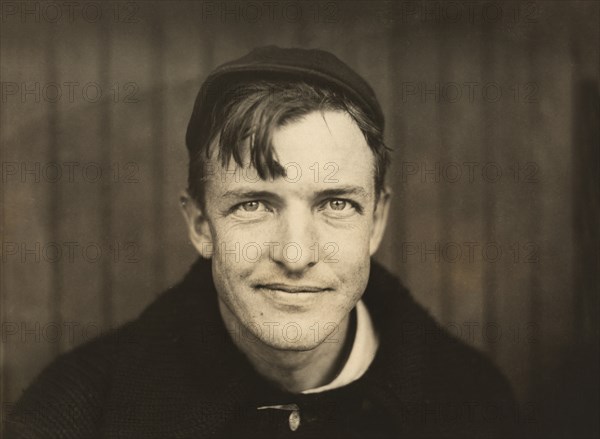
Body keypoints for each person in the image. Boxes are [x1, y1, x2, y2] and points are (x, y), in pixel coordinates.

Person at [6, 46, 517, 438]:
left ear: (377, 221)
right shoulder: (75, 413)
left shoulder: (474, 406)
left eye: (336, 203)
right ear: (201, 225)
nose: (295, 255)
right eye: (253, 204)